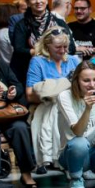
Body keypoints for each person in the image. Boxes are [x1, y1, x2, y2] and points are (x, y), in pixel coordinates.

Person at [26, 29, 81, 170]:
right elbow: (30, 94)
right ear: (47, 45)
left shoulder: (74, 60)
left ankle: (71, 158)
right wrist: (57, 93)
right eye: (58, 47)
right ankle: (60, 159)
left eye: (65, 47)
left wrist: (54, 90)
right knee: (55, 111)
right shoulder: (38, 62)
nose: (62, 50)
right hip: (45, 105)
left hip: (72, 104)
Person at [11, 0, 75, 86]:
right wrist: (40, 51)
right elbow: (18, 49)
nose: (38, 1)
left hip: (56, 70)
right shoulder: (22, 25)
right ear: (27, 2)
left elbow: (71, 47)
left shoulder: (58, 22)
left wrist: (57, 51)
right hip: (29, 72)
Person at [0, 60, 36, 188]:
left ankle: (26, 173)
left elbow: (17, 85)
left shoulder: (0, 64)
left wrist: (12, 92)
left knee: (20, 128)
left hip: (5, 112)